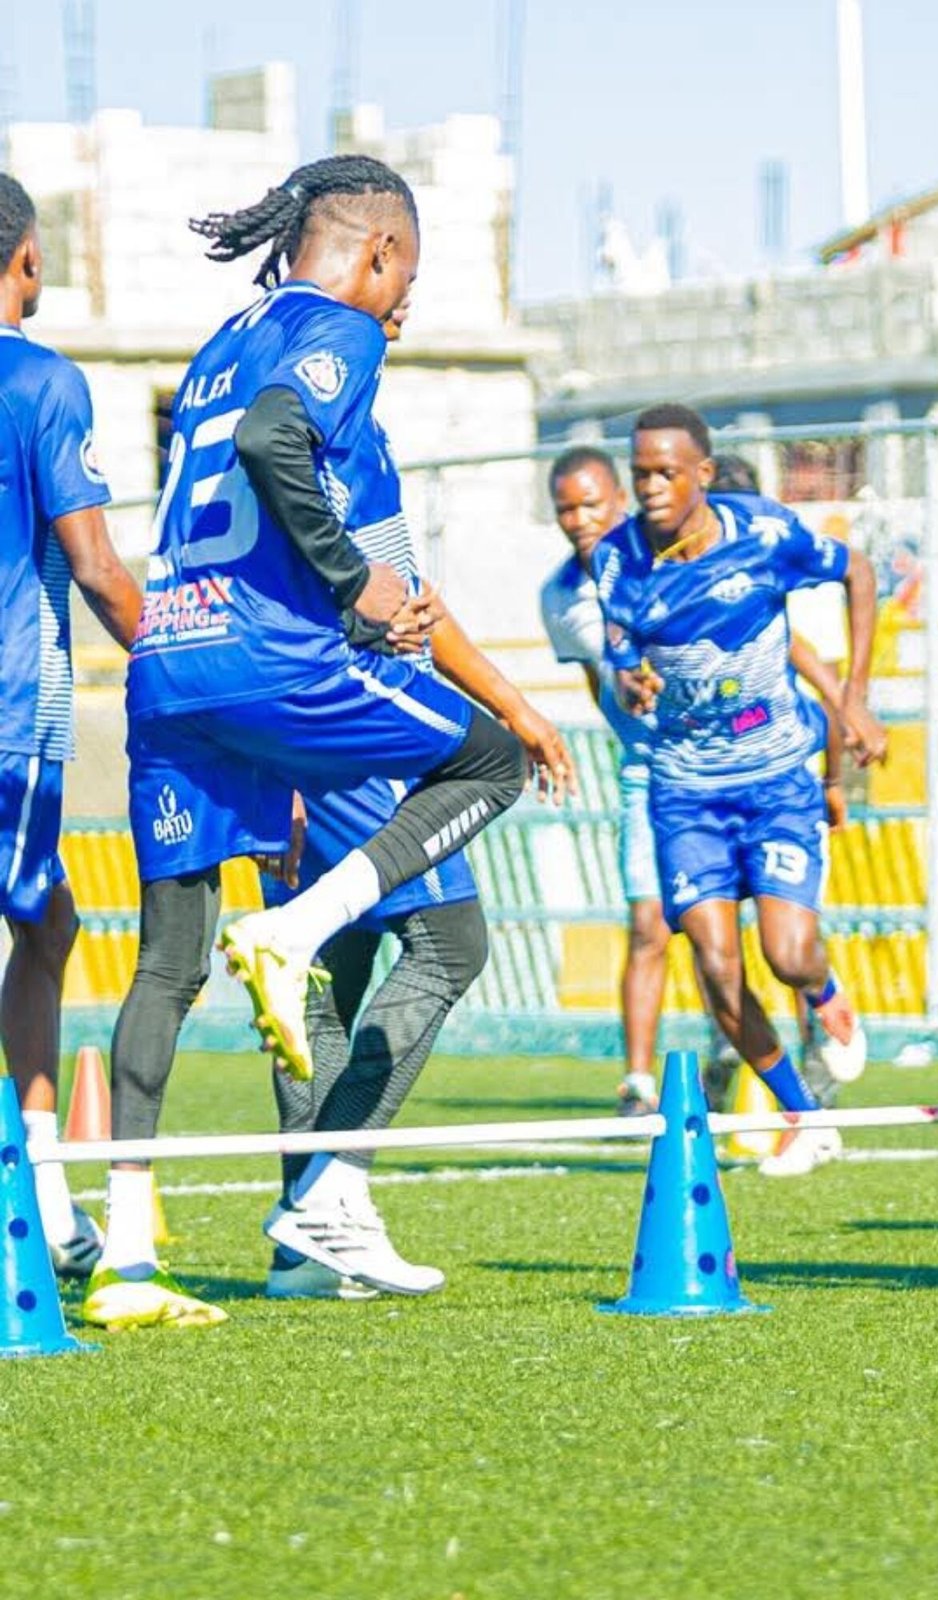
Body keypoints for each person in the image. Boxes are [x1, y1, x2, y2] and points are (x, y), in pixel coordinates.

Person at [83, 155, 567, 1331]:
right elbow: (292, 466)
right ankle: (324, 1183)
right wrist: (365, 592)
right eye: (410, 279)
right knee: (458, 870)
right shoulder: (335, 343)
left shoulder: (217, 344)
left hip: (171, 658)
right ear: (384, 256)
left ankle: (133, 1252)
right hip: (294, 669)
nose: (405, 308)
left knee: (175, 960)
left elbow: (248, 446)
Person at [265, 352, 568, 1299]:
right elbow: (401, 615)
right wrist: (516, 713)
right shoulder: (329, 439)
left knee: (326, 983)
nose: (396, 318)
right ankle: (328, 1199)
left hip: (269, 728)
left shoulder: (249, 414)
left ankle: (299, 1255)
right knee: (447, 944)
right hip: (357, 737)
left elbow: (406, 606)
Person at [596, 403, 886, 1177]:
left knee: (788, 955)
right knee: (719, 968)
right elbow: (623, 664)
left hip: (776, 778)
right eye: (640, 474)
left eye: (665, 473)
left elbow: (857, 571)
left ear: (700, 473)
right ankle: (805, 1113)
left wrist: (853, 696)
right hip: (685, 791)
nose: (651, 488)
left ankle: (826, 998)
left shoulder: (763, 535)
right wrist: (633, 685)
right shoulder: (617, 561)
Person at [0, 173, 144, 1279]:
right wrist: (187, 667)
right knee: (36, 926)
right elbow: (93, 561)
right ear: (27, 260)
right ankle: (38, 1201)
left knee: (48, 924)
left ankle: (43, 1190)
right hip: (10, 714)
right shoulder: (40, 382)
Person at [709, 452, 851, 1101]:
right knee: (712, 925)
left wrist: (833, 783)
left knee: (784, 933)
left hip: (780, 774)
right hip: (709, 782)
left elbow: (827, 688)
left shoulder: (783, 567)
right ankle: (738, 1037)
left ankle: (814, 1035)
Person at [541, 447, 667, 1115]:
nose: (579, 518)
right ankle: (638, 1082)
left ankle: (790, 1056)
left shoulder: (660, 558)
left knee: (745, 927)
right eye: (565, 507)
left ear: (619, 500)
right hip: (647, 768)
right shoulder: (559, 596)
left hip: (719, 758)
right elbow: (598, 683)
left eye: (591, 503)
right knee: (647, 920)